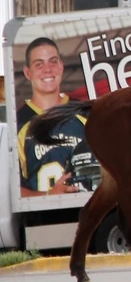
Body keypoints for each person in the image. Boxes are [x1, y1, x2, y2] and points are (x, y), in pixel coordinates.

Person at [17, 37, 83, 197]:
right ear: (28, 72)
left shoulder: (85, 112)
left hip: (89, 212)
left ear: (61, 66)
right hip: (43, 219)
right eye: (39, 64)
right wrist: (48, 196)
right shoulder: (18, 123)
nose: (48, 69)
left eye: (53, 62)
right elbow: (10, 190)